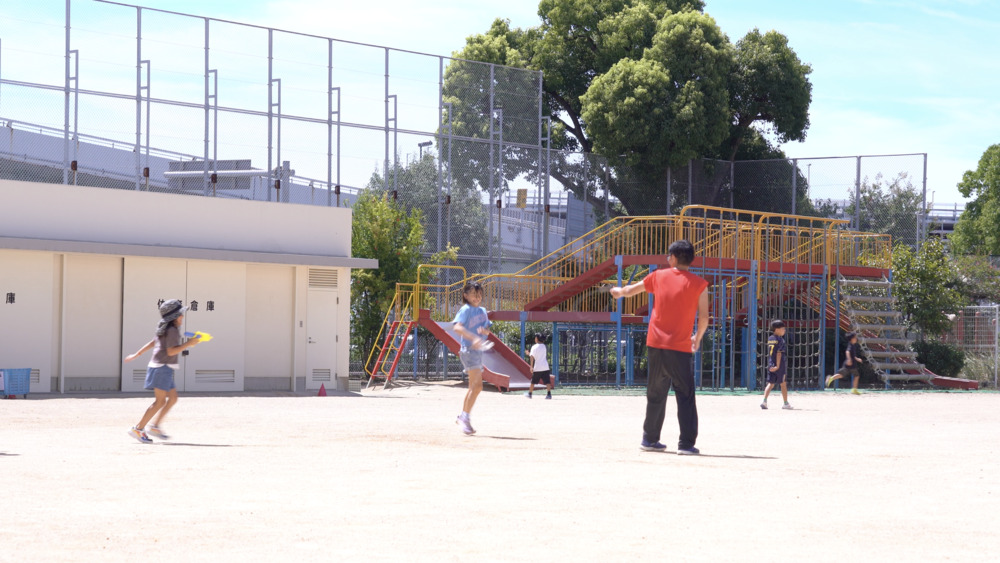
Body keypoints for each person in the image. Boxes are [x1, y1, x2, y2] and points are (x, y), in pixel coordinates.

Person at [611, 240, 709, 455]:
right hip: (680, 347)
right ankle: (686, 445)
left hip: (655, 343)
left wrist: (618, 291)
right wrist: (698, 338)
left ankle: (650, 439)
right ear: (690, 259)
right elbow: (704, 318)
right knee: (685, 395)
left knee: (655, 392)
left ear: (673, 257)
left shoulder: (657, 276)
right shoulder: (700, 284)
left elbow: (628, 291)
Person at [124, 299, 201, 443]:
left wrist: (136, 354)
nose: (182, 317)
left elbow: (154, 342)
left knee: (172, 399)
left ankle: (155, 427)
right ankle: (138, 429)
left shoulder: (164, 327)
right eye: (180, 314)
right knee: (160, 402)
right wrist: (188, 344)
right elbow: (171, 352)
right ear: (174, 317)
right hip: (161, 368)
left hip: (163, 367)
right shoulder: (171, 330)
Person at [452, 282, 492, 435]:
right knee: (475, 386)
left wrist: (485, 331)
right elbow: (457, 327)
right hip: (469, 351)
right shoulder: (465, 309)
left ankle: (464, 416)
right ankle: (464, 417)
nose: (477, 297)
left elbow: (487, 329)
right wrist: (474, 337)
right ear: (466, 296)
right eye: (474, 294)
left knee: (477, 387)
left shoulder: (482, 311)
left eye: (479, 294)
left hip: (477, 352)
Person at [761, 320, 793, 410]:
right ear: (777, 329)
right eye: (783, 329)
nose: (784, 330)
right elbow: (779, 354)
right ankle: (785, 403)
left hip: (771, 363)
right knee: (783, 383)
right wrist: (778, 366)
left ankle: (764, 401)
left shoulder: (770, 338)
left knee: (770, 383)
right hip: (780, 365)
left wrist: (773, 365)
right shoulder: (780, 340)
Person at [525, 333, 552, 399]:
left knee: (533, 381)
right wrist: (529, 354)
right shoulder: (544, 346)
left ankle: (530, 394)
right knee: (547, 381)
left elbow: (532, 357)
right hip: (545, 366)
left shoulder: (534, 347)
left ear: (537, 338)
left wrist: (531, 367)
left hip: (538, 367)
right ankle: (549, 394)